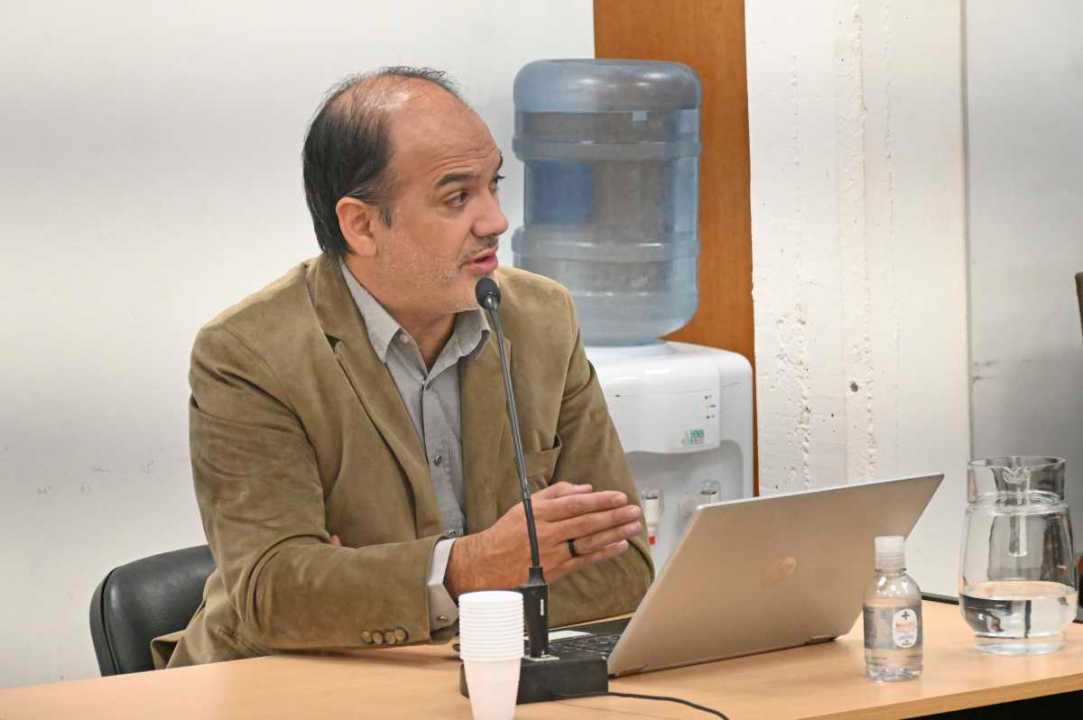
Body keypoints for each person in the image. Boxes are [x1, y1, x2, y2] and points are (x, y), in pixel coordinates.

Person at [155, 67, 653, 668]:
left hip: (470, 678)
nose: (495, 221)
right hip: (278, 687)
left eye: (493, 185)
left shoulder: (542, 319)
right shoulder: (248, 353)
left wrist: (374, 588)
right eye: (457, 197)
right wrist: (477, 566)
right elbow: (276, 595)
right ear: (362, 225)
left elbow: (622, 569)